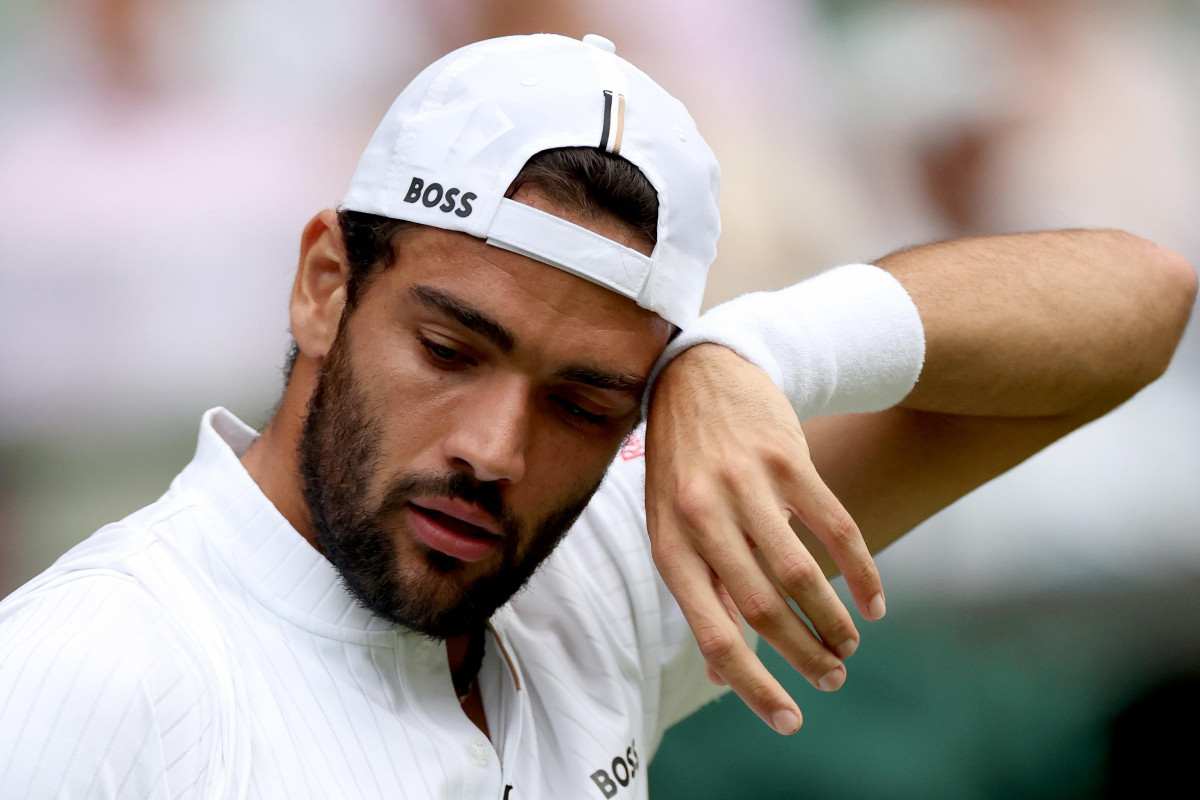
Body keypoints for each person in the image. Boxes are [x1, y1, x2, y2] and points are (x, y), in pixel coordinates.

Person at [0, 32, 1194, 800]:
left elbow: (1143, 299)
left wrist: (752, 353)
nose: (494, 450)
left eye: (584, 398)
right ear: (325, 284)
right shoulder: (92, 665)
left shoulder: (597, 571)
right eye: (450, 349)